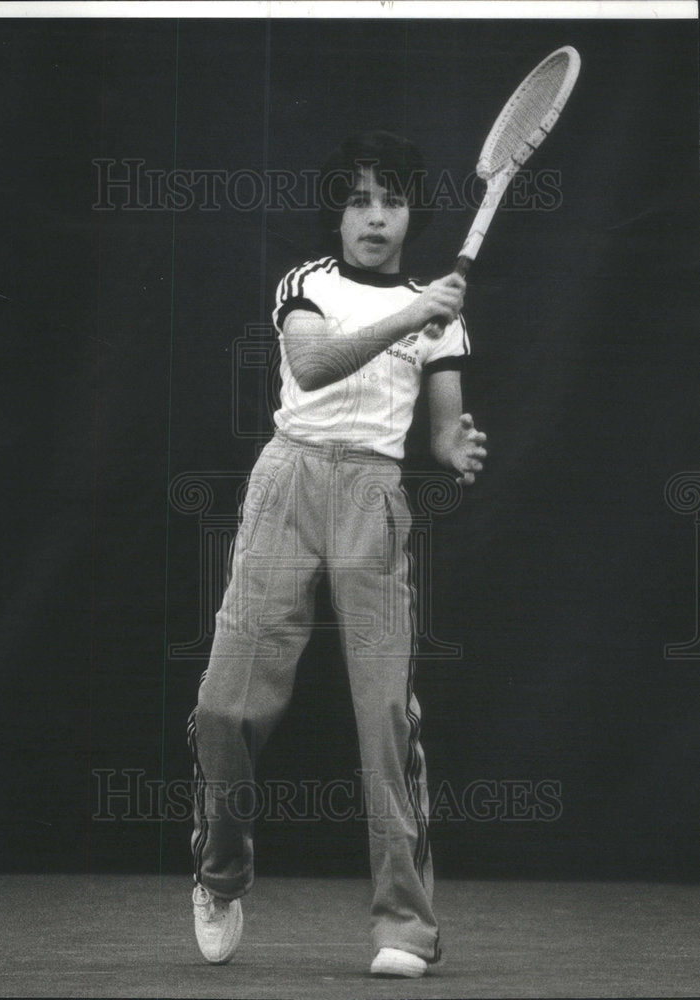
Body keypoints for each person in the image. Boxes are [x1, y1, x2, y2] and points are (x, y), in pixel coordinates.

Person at [187, 130, 487, 978]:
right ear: (338, 215)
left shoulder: (442, 318)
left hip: (372, 497)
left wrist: (457, 448)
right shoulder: (307, 285)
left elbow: (437, 434)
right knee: (224, 707)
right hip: (286, 484)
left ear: (409, 215)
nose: (375, 216)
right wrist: (411, 312)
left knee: (385, 718)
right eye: (358, 199)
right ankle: (219, 872)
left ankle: (405, 925)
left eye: (390, 200)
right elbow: (313, 367)